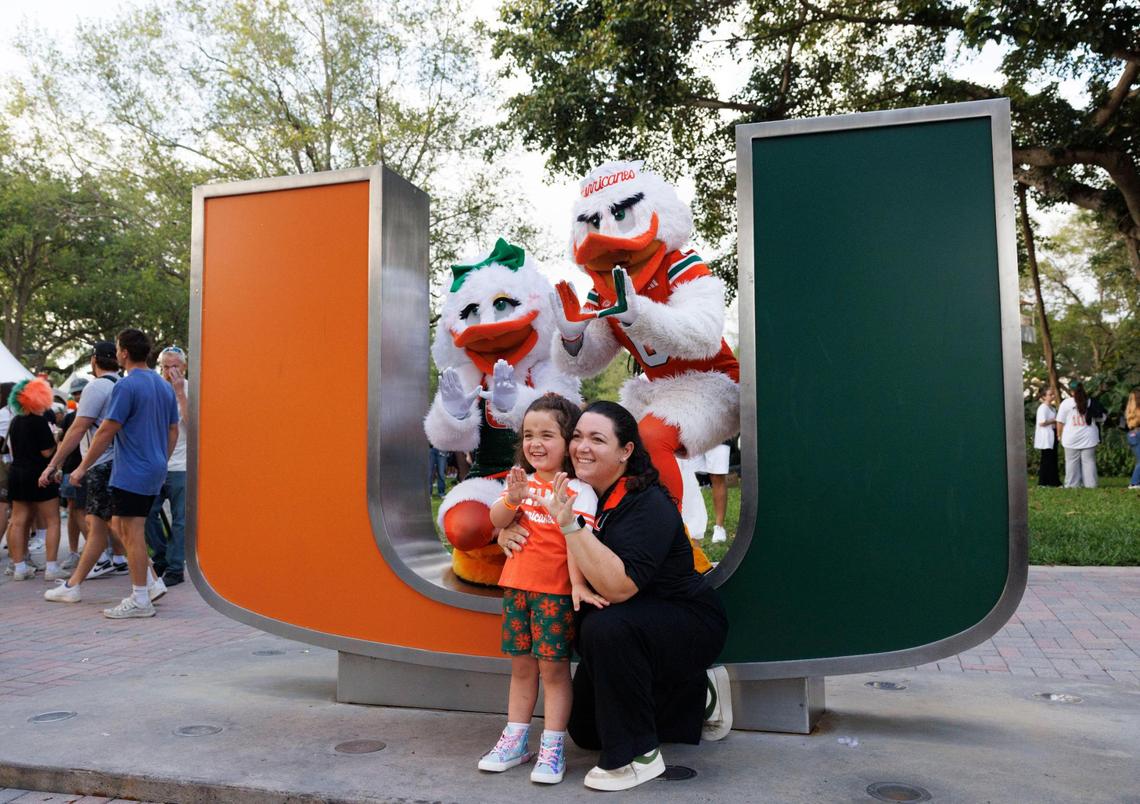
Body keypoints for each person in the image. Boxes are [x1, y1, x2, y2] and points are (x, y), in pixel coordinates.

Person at [499, 400, 731, 791]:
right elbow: (531, 529)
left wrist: (570, 526)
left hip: (686, 619)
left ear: (626, 451)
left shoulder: (647, 503)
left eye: (597, 439)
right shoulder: (577, 490)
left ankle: (636, 756)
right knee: (587, 730)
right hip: (632, 621)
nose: (582, 447)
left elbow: (619, 587)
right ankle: (696, 696)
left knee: (604, 626)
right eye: (576, 437)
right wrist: (505, 531)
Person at [478, 395, 603, 785]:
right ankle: (515, 739)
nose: (536, 443)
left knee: (553, 670)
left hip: (554, 595)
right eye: (529, 434)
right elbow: (495, 520)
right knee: (521, 667)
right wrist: (512, 501)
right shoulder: (522, 483)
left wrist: (578, 585)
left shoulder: (578, 491)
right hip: (516, 591)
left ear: (568, 442)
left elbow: (573, 544)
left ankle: (552, 747)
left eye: (547, 434)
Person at [59, 329, 178, 618]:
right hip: (152, 467)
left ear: (124, 352)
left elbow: (105, 431)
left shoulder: (127, 386)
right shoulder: (163, 386)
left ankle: (140, 598)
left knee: (131, 531)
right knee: (123, 527)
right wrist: (162, 459)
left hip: (132, 469)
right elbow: (173, 430)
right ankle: (147, 588)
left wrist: (82, 467)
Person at [40, 341, 133, 603]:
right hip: (121, 462)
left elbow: (78, 429)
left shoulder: (97, 387)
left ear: (94, 360)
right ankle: (74, 584)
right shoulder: (123, 385)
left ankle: (149, 580)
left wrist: (54, 464)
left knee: (115, 525)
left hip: (100, 463)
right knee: (99, 524)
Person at [4, 379, 61, 580]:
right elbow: (46, 452)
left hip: (17, 473)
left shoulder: (16, 421)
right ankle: (52, 568)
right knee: (52, 520)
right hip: (39, 474)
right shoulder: (39, 422)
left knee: (18, 521)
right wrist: (56, 439)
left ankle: (19, 567)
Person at [144, 345, 189, 586]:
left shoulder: (192, 388)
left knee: (181, 519)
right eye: (166, 366)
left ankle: (174, 568)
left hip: (181, 465)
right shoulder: (154, 389)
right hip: (156, 463)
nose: (170, 371)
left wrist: (181, 394)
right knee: (147, 513)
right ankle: (160, 556)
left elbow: (195, 426)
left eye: (175, 366)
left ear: (184, 367)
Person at [57, 378, 91, 570]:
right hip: (71, 469)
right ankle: (74, 551)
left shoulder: (98, 414)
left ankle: (97, 551)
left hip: (88, 468)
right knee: (74, 511)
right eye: (76, 393)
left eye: (81, 392)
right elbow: (62, 443)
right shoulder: (71, 418)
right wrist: (58, 466)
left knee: (85, 512)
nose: (78, 396)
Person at [1057, 380, 1100, 488]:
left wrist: (1059, 434)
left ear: (1071, 391)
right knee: (1089, 462)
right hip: (1089, 437)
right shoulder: (1090, 401)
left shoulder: (1066, 403)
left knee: (1071, 462)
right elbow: (1101, 417)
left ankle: (1072, 485)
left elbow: (1060, 421)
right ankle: (1091, 485)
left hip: (1071, 438)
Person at [1034, 387, 1060, 487]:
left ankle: (1053, 481)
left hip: (1052, 433)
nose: (1052, 396)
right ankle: (1043, 482)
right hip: (1046, 436)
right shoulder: (1042, 408)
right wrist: (1054, 420)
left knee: (1052, 458)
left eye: (1053, 394)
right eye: (1050, 395)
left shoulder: (1052, 408)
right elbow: (1042, 422)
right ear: (1044, 396)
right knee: (1046, 459)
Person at [1126, 387, 1140, 490]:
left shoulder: (1129, 409)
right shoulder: (1137, 410)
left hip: (1132, 435)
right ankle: (1134, 483)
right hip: (1136, 434)